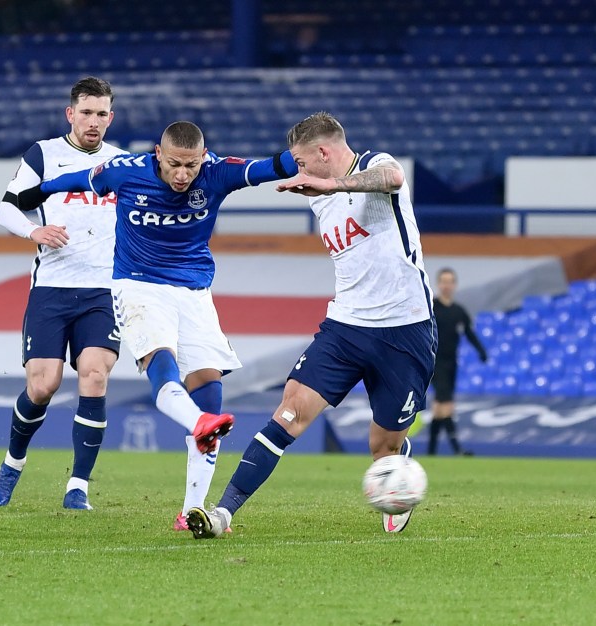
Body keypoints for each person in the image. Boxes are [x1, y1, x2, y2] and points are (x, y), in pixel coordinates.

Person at [26, 120, 299, 529]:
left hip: (194, 294)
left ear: (202, 158)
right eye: (175, 164)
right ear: (159, 153)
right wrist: (38, 190)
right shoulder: (125, 170)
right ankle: (197, 425)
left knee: (210, 393)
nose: (183, 174)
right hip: (139, 287)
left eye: (191, 165)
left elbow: (269, 167)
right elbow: (77, 179)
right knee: (164, 365)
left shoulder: (216, 173)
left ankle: (190, 509)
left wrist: (310, 157)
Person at [186, 111, 437, 538]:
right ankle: (222, 513)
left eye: (302, 162)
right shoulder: (316, 195)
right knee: (289, 413)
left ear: (323, 152)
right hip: (345, 327)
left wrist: (331, 183)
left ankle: (396, 460)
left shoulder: (376, 165)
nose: (299, 171)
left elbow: (392, 178)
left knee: (384, 447)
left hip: (405, 329)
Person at [0, 76, 126, 510]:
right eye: (86, 112)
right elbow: (7, 206)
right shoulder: (44, 154)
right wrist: (35, 230)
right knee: (44, 385)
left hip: (103, 290)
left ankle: (78, 486)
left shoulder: (122, 163)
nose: (93, 121)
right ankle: (13, 462)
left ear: (111, 117)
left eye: (102, 114)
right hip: (51, 288)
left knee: (95, 375)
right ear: (70, 114)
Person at [429, 267, 487, 456]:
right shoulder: (431, 308)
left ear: (454, 285)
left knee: (439, 408)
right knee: (447, 405)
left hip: (451, 363)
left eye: (450, 282)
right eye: (443, 282)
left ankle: (431, 451)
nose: (446, 286)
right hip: (434, 363)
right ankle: (457, 449)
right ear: (438, 284)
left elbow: (469, 333)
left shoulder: (458, 312)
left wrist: (481, 350)